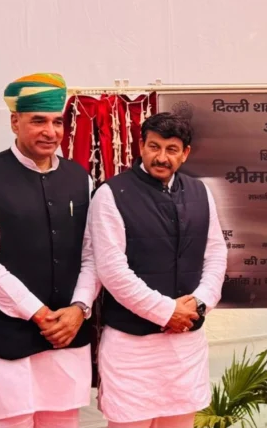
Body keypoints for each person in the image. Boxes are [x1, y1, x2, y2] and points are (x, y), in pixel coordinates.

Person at [0, 73, 100, 427]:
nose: (50, 132)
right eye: (38, 121)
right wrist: (38, 313)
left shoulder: (80, 178)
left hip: (67, 336)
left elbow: (93, 253)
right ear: (14, 122)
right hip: (6, 341)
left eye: (57, 122)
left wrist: (79, 309)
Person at [88, 111, 227, 428]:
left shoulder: (200, 192)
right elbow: (112, 270)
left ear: (185, 153)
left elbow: (216, 253)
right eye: (154, 147)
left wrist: (200, 303)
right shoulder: (111, 194)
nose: (161, 157)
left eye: (171, 149)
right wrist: (166, 312)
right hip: (132, 348)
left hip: (185, 346)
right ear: (141, 146)